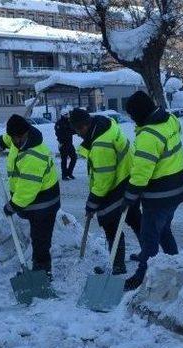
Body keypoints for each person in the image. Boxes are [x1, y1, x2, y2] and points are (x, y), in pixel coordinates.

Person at [122, 91, 183, 291]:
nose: (132, 119)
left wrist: (130, 196)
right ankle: (174, 262)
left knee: (149, 236)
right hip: (177, 189)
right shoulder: (170, 119)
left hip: (159, 195)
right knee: (163, 230)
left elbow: (142, 172)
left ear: (140, 113)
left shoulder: (148, 136)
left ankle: (142, 275)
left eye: (132, 114)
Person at [68, 108, 141, 275]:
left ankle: (117, 266)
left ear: (84, 126)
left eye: (77, 131)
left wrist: (92, 202)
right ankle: (149, 254)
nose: (78, 135)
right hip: (129, 177)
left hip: (118, 184)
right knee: (134, 218)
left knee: (110, 222)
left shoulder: (101, 144)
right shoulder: (106, 125)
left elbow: (103, 179)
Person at [0, 114, 60, 279]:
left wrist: (13, 206)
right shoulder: (16, 139)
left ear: (27, 132)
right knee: (37, 236)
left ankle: (43, 272)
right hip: (34, 199)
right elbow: (8, 138)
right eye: (15, 137)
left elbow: (27, 190)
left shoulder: (34, 156)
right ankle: (39, 269)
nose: (17, 141)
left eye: (20, 137)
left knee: (40, 240)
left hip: (44, 203)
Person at [55, 112, 77, 180]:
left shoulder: (69, 122)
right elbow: (59, 133)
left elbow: (73, 130)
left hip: (70, 143)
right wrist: (68, 131)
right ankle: (64, 175)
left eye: (67, 114)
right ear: (62, 115)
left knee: (74, 157)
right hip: (63, 144)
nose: (67, 116)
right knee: (64, 160)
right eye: (65, 114)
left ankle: (69, 173)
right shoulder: (59, 123)